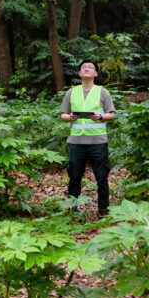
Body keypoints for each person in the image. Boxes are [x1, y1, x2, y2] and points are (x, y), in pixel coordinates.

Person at [59, 61, 116, 216]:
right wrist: (69, 117)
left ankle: (103, 210)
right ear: (79, 73)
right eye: (83, 67)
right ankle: (73, 209)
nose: (86, 69)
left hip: (98, 142)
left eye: (90, 67)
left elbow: (111, 114)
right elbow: (63, 114)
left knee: (102, 178)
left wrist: (101, 116)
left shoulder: (102, 92)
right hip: (76, 142)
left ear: (96, 74)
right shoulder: (71, 92)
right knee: (74, 177)